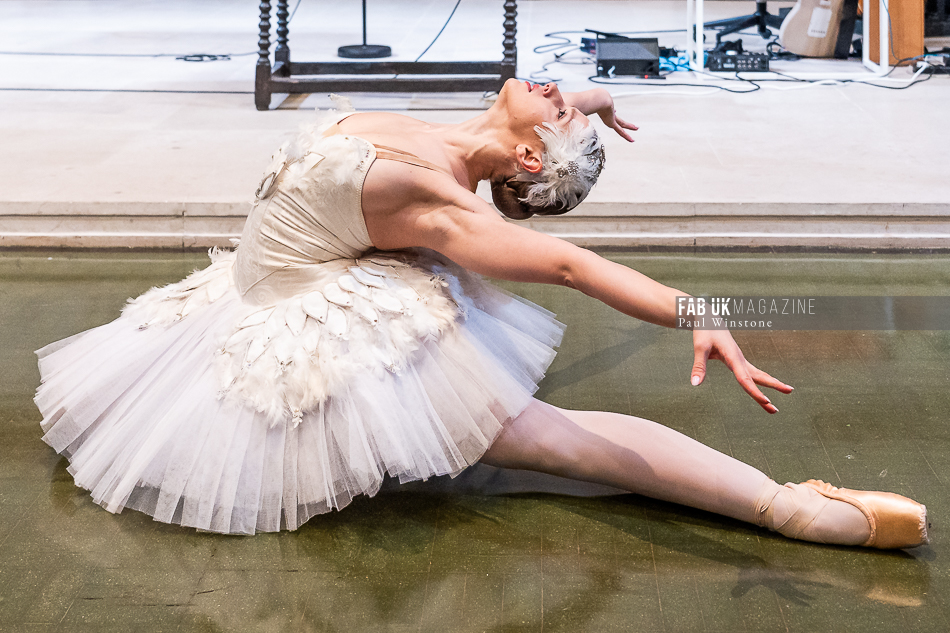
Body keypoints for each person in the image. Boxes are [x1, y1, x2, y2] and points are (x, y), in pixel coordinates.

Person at [35, 80, 927, 548]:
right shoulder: (471, 139)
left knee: (544, 438)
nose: (560, 88)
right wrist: (596, 105)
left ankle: (785, 507)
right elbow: (554, 113)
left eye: (562, 108)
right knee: (523, 434)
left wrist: (702, 310)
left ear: (531, 156)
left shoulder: (441, 202)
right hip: (271, 294)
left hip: (324, 320)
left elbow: (573, 265)